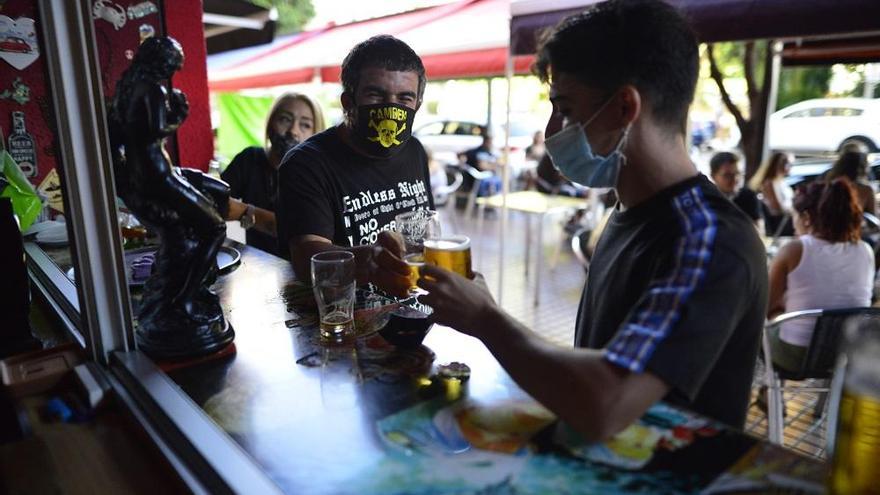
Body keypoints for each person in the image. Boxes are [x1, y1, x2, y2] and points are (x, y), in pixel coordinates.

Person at [417, 0, 768, 440]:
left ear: (625, 107)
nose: (551, 133)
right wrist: (483, 308)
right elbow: (602, 362)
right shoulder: (626, 212)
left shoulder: (708, 239)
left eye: (563, 107)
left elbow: (607, 401)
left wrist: (487, 319)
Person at [276, 35, 433, 296]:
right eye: (376, 95)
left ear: (417, 104)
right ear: (348, 102)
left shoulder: (414, 151)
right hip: (343, 321)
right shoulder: (307, 163)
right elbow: (307, 259)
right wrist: (372, 261)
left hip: (412, 310)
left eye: (404, 99)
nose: (391, 108)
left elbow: (424, 232)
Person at [766, 179, 874, 371]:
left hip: (798, 354)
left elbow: (765, 307)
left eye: (794, 216)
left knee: (754, 329)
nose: (793, 224)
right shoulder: (865, 250)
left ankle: (768, 395)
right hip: (847, 355)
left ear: (806, 217)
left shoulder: (795, 250)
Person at [222, 93, 326, 256]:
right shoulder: (249, 159)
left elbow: (302, 231)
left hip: (301, 269)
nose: (293, 131)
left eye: (305, 125)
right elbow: (216, 201)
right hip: (256, 265)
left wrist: (246, 211)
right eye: (285, 119)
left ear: (316, 134)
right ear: (270, 125)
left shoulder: (316, 176)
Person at [709, 151, 763, 230]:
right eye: (727, 175)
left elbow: (759, 230)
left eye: (738, 174)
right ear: (713, 176)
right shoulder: (708, 198)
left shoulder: (749, 196)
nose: (735, 179)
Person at [749, 151, 794, 236]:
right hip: (778, 222)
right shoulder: (769, 183)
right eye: (788, 164)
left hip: (786, 219)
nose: (790, 168)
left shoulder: (782, 182)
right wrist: (792, 210)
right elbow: (776, 205)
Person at [826, 150, 875, 215]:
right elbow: (873, 218)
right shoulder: (865, 189)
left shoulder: (828, 186)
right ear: (862, 168)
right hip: (854, 224)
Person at [463, 128, 501, 196]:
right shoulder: (479, 152)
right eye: (489, 142)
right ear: (485, 141)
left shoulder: (490, 152)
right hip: (477, 180)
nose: (491, 144)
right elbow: (482, 166)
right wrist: (493, 166)